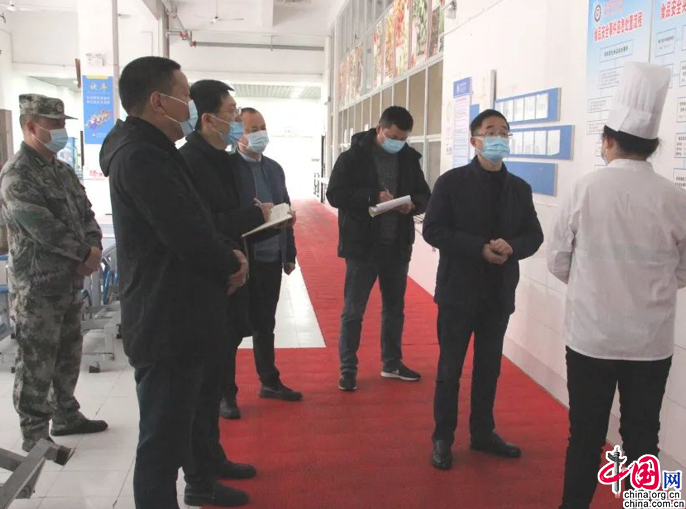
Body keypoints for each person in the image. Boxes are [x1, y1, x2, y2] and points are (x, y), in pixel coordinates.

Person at [100, 57, 249, 509]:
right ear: (158, 101)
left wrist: (226, 255)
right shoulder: (141, 157)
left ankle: (202, 477)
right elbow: (185, 232)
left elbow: (195, 221)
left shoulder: (156, 149)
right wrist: (229, 261)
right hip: (165, 319)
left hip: (182, 313)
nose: (190, 104)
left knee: (182, 425)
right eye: (184, 95)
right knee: (161, 445)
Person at [548, 62, 686, 509]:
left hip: (591, 337)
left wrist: (594, 285)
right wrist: (651, 289)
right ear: (653, 147)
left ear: (607, 140)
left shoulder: (584, 188)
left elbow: (557, 260)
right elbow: (684, 268)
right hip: (650, 341)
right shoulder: (675, 198)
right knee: (644, 438)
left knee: (585, 436)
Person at [423, 109, 543, 470]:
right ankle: (443, 437)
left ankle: (483, 432)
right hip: (458, 291)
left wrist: (512, 246)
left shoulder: (518, 188)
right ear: (474, 140)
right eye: (491, 132)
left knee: (489, 368)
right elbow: (433, 230)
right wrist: (478, 248)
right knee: (449, 369)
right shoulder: (451, 183)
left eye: (504, 132)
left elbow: (533, 235)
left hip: (498, 292)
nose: (498, 138)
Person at [0, 94, 107, 454]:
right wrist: (84, 254)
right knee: (36, 360)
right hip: (37, 287)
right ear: (31, 126)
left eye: (63, 123)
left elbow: (86, 214)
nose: (61, 130)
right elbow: (41, 227)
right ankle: (34, 433)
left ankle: (65, 414)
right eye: (54, 124)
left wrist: (93, 248)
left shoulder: (61, 171)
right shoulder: (17, 174)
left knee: (67, 352)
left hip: (69, 280)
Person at [326, 106, 431, 392]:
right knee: (353, 310)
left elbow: (424, 194)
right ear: (379, 129)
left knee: (395, 309)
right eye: (392, 136)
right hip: (362, 246)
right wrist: (372, 196)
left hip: (397, 245)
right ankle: (348, 368)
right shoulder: (353, 157)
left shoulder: (409, 159)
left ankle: (392, 363)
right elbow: (335, 194)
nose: (397, 142)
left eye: (403, 138)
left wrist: (412, 205)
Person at [221, 106, 301, 414]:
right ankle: (226, 393)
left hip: (270, 257)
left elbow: (285, 208)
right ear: (238, 134)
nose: (259, 134)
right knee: (231, 329)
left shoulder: (274, 168)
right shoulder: (227, 169)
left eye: (262, 127)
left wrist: (289, 253)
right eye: (252, 129)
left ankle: (269, 381)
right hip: (241, 259)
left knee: (265, 324)